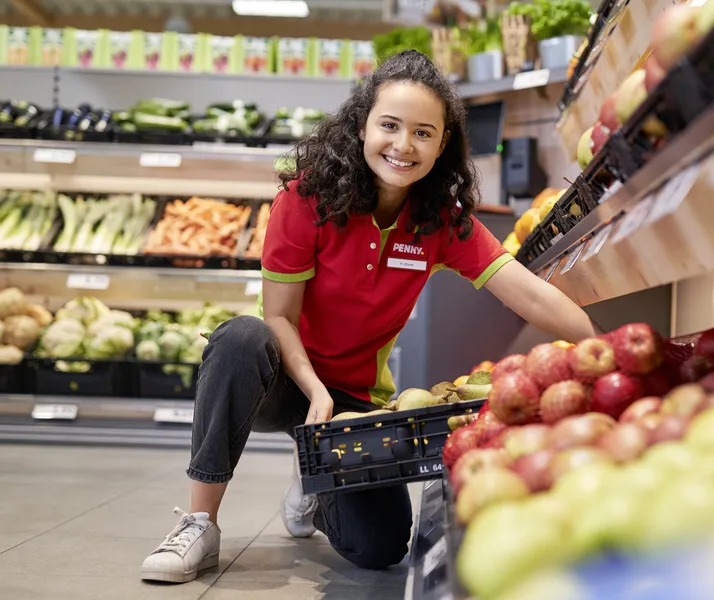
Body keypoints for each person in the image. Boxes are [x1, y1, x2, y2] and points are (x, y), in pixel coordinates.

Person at [140, 49, 600, 584]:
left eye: (424, 133)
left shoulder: (439, 221)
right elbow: (280, 317)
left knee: (379, 546)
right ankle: (200, 523)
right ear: (362, 126)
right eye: (390, 125)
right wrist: (314, 389)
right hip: (287, 379)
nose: (404, 146)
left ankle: (312, 487)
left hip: (357, 400)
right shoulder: (305, 199)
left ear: (442, 143)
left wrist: (603, 343)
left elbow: (530, 294)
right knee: (242, 337)